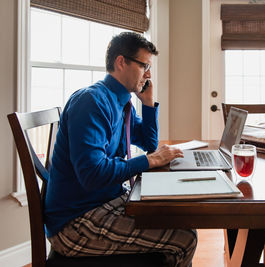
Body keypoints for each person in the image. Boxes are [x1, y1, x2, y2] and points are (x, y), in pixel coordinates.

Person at [44, 32, 197, 267]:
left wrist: (147, 103)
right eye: (144, 65)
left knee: (177, 218)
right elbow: (92, 174)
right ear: (121, 62)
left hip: (104, 202)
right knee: (185, 238)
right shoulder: (92, 102)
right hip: (75, 223)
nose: (148, 74)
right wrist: (149, 161)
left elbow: (148, 142)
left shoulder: (122, 102)